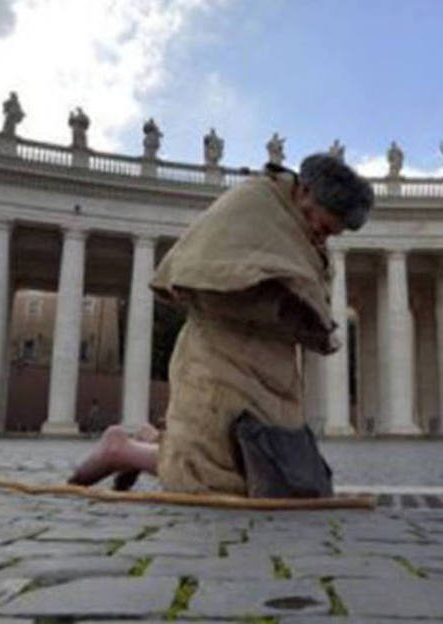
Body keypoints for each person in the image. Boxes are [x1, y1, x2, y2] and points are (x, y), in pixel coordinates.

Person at [68, 154, 373, 494]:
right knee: (212, 476)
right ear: (304, 191)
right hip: (218, 354)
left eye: (332, 234)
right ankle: (120, 450)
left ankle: (152, 441)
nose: (322, 237)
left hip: (273, 367)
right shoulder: (252, 203)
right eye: (323, 225)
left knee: (281, 472)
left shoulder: (299, 231)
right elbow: (210, 273)